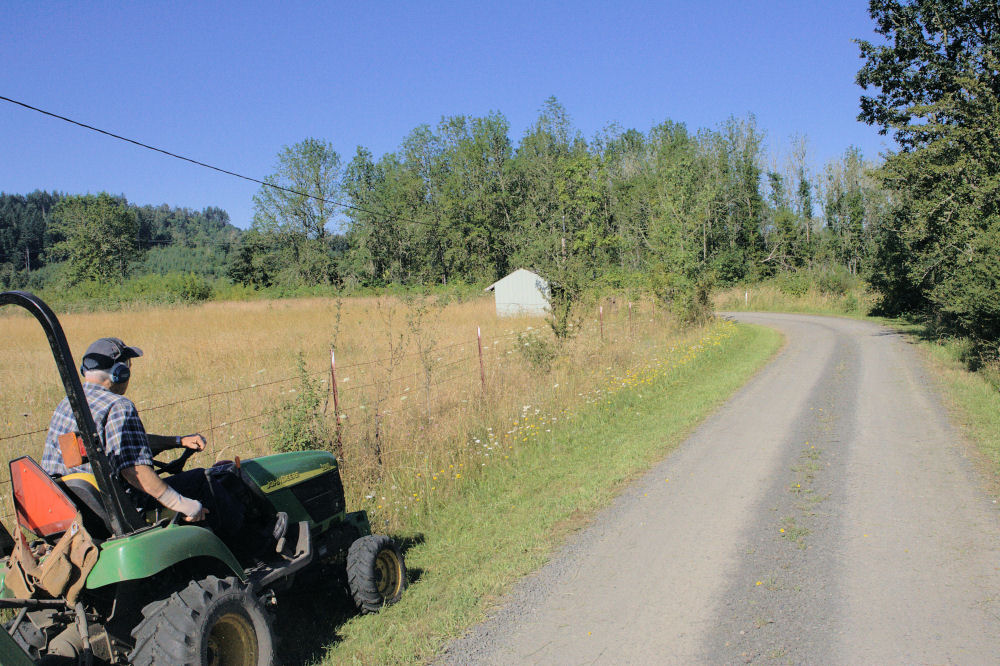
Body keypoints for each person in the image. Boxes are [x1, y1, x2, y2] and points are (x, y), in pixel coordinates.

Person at [41, 337, 257, 547]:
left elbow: (121, 446)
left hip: (82, 510)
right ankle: (253, 546)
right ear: (119, 372)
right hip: (124, 509)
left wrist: (178, 441)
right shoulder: (118, 406)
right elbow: (134, 470)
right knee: (202, 480)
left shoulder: (69, 404)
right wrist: (182, 505)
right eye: (128, 365)